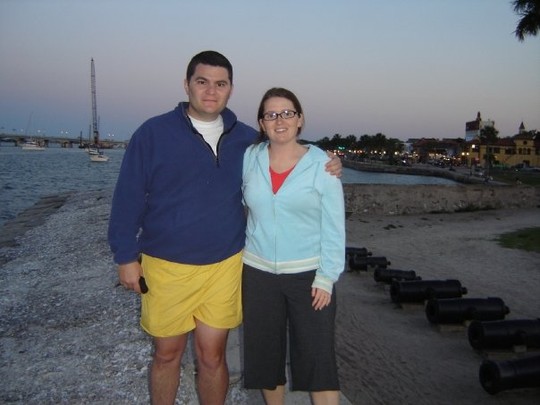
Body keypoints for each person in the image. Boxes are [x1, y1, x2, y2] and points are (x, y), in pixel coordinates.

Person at [108, 51, 342, 404]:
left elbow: (286, 149)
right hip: (166, 265)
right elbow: (128, 196)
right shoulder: (153, 133)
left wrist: (328, 161)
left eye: (221, 84)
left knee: (212, 356)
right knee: (167, 355)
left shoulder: (245, 140)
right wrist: (126, 256)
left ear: (230, 89)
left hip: (224, 266)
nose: (211, 91)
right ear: (187, 84)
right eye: (202, 82)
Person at [241, 87, 345, 405]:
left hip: (309, 277)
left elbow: (334, 227)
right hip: (258, 274)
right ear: (262, 123)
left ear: (300, 119)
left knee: (318, 362)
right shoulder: (250, 157)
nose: (280, 120)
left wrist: (326, 277)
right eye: (271, 115)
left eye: (287, 113)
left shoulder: (322, 164)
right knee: (265, 361)